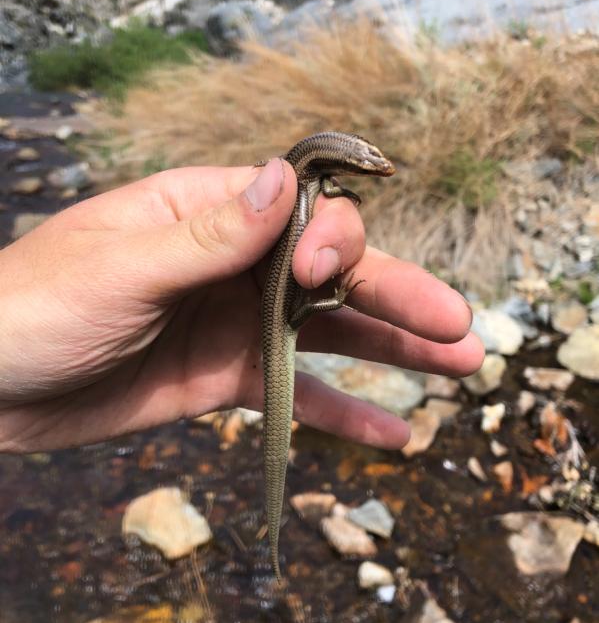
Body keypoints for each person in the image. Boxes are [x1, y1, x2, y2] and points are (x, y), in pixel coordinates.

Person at [0, 158, 483, 453]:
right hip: (285, 317)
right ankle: (333, 296)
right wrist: (334, 297)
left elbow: (323, 189)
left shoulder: (306, 173)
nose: (376, 170)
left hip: (275, 309)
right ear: (340, 166)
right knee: (317, 286)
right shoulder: (307, 179)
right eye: (370, 167)